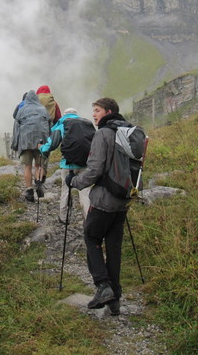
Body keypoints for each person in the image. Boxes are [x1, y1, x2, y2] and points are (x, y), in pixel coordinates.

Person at [65, 97, 129, 316]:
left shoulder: (103, 133)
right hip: (123, 200)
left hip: (104, 200)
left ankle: (103, 286)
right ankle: (115, 300)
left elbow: (94, 170)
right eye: (93, 110)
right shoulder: (127, 132)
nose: (94, 114)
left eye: (97, 110)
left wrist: (74, 182)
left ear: (108, 111)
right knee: (113, 248)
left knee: (91, 238)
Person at [38, 108, 92, 225]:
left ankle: (64, 217)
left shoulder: (62, 123)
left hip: (68, 163)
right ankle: (88, 219)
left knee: (66, 190)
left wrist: (41, 149)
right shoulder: (86, 123)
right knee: (84, 191)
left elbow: (52, 143)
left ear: (65, 115)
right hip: (85, 163)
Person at [11, 90, 50, 202]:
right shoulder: (43, 109)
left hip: (25, 142)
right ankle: (38, 182)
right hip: (40, 142)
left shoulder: (22, 110)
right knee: (39, 165)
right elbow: (48, 125)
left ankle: (29, 191)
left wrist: (15, 145)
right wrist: (48, 144)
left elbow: (16, 129)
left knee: (27, 166)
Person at [35, 85, 61, 195]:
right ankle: (41, 178)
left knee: (36, 154)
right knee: (45, 154)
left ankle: (36, 178)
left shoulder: (35, 102)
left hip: (35, 130)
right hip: (48, 130)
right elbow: (58, 118)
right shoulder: (54, 103)